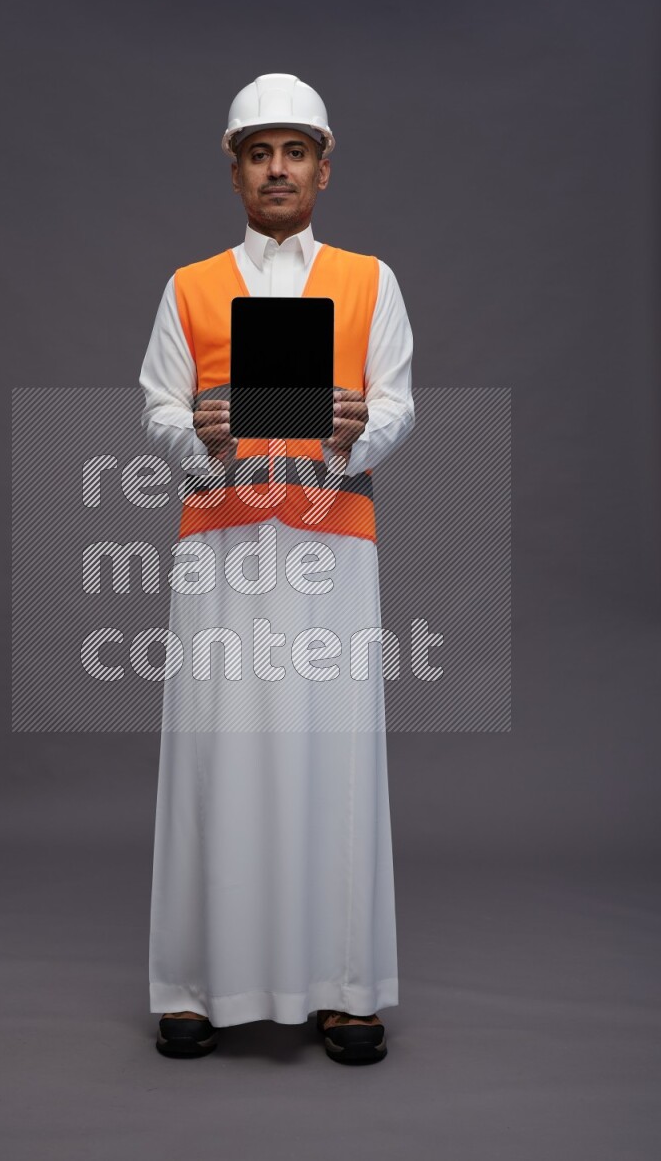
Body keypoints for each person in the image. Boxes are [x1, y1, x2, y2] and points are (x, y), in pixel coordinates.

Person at [138, 73, 415, 1065]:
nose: (277, 168)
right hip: (218, 541)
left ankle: (343, 987)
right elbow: (157, 407)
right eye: (258, 153)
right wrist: (196, 433)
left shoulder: (368, 278)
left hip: (329, 540)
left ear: (322, 168)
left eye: (293, 151)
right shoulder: (191, 285)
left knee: (330, 749)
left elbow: (397, 402)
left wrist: (359, 425)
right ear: (235, 169)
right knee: (214, 749)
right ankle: (193, 981)